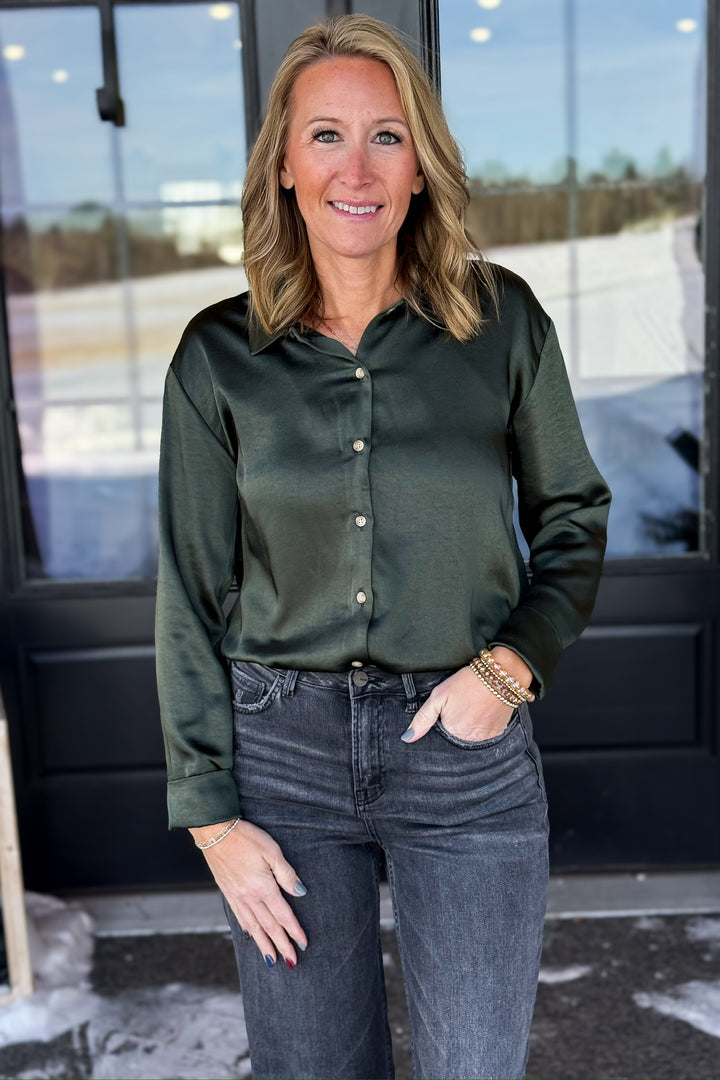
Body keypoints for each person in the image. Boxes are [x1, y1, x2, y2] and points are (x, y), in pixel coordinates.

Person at [155, 14, 611, 1080]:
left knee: (475, 1066)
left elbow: (574, 517)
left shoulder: (503, 325)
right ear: (282, 166)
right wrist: (210, 814)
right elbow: (188, 590)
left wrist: (508, 670)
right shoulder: (218, 358)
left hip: (466, 753)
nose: (355, 169)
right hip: (282, 758)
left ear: (422, 170)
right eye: (325, 136)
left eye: (387, 137)